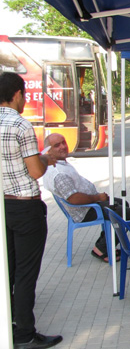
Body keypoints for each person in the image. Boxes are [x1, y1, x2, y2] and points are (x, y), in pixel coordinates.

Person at [0, 72, 63, 348]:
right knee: (26, 273)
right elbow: (35, 170)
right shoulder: (20, 124)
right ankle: (24, 333)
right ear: (16, 94)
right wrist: (46, 158)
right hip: (26, 207)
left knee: (8, 268)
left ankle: (8, 323)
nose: (25, 100)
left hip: (3, 204)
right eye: (24, 95)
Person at [42, 133, 130, 263]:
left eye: (63, 142)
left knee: (123, 204)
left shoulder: (59, 164)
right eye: (57, 145)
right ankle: (101, 248)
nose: (63, 146)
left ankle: (106, 242)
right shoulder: (58, 173)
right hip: (84, 210)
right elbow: (74, 199)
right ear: (48, 150)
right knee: (128, 214)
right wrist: (97, 197)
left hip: (90, 203)